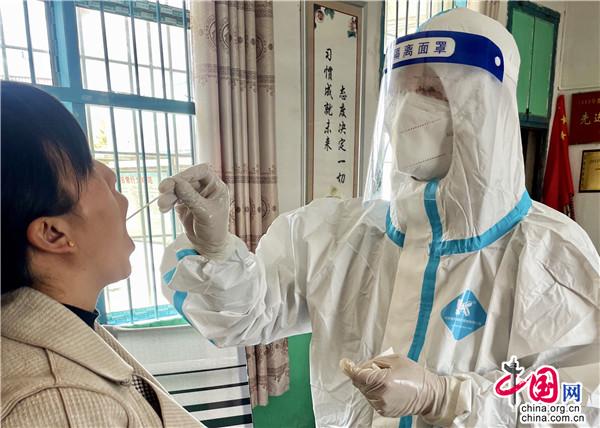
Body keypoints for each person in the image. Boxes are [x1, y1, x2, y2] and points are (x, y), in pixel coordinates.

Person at [158, 8, 599, 427]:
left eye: (433, 91)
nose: (409, 108)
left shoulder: (550, 256)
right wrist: (218, 252)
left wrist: (445, 397)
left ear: (484, 112)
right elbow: (245, 315)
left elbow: (580, 403)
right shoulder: (337, 235)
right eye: (406, 88)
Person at [1, 82, 202, 428]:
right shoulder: (58, 404)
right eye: (84, 165)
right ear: (53, 234)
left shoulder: (64, 332)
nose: (109, 173)